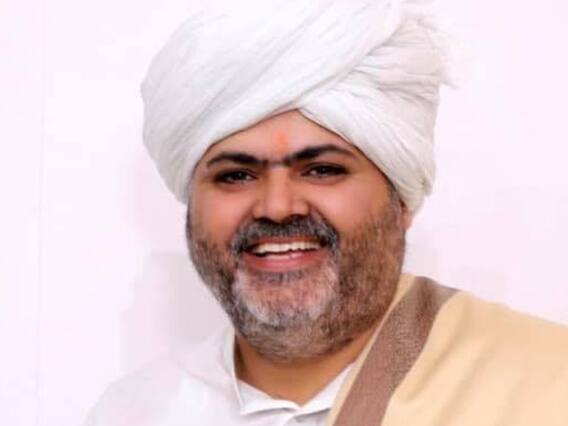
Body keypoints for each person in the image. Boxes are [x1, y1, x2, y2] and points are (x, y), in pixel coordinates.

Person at [85, 0, 568, 425]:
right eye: (236, 175)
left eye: (322, 170)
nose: (277, 207)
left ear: (401, 200)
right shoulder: (137, 411)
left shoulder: (546, 385)